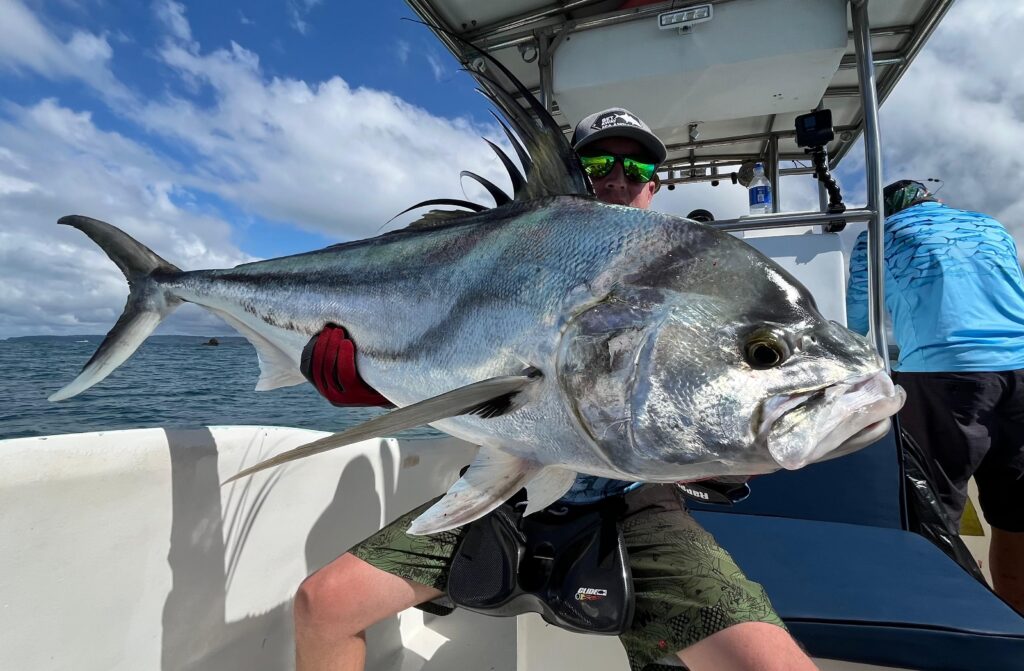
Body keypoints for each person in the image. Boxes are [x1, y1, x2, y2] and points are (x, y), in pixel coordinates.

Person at [293, 108, 818, 671]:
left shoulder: (691, 280)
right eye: (597, 161)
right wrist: (376, 381)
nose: (616, 177)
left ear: (654, 185)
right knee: (321, 605)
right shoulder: (513, 259)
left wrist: (725, 455)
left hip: (632, 504)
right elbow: (456, 360)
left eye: (635, 165)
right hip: (511, 489)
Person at [846, 180, 1024, 614]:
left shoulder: (877, 234)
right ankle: (1014, 621)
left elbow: (855, 319)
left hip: (943, 375)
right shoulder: (990, 225)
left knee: (931, 513)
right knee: (1015, 515)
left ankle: (952, 621)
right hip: (1020, 369)